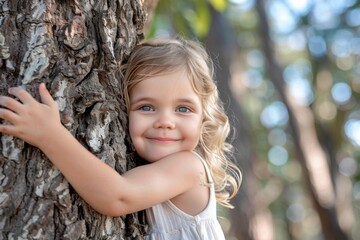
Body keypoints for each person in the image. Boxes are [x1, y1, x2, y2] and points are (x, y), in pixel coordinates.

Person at [0, 37, 241, 239]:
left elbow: (117, 196)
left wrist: (50, 135)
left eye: (184, 109)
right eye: (146, 107)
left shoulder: (189, 167)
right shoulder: (159, 172)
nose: (165, 121)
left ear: (204, 119)